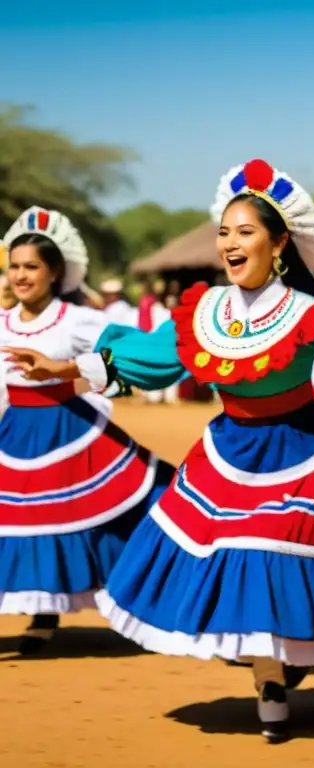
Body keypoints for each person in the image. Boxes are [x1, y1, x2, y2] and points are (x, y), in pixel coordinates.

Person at [3, 160, 314, 743]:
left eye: (244, 231)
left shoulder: (306, 310)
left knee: (275, 556)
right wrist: (66, 366)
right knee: (233, 555)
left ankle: (277, 667)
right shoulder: (204, 311)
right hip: (228, 455)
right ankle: (269, 676)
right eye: (224, 231)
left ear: (279, 243)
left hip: (303, 448)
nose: (230, 243)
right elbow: (151, 355)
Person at [0, 206, 173, 655]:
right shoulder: (2, 321)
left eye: (31, 267)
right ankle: (43, 609)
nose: (21, 276)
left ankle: (145, 605)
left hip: (70, 429)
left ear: (54, 272)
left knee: (95, 521)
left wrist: (99, 377)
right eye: (15, 266)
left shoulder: (75, 319)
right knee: (24, 525)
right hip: (16, 432)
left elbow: (131, 351)